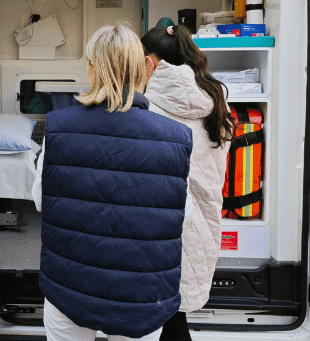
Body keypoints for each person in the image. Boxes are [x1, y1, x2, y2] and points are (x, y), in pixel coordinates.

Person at [31, 24, 192, 341]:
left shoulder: (60, 127)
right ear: (144, 69)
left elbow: (40, 200)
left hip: (71, 287)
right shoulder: (175, 137)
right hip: (143, 293)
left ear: (92, 68)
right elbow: (178, 213)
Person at [141, 24, 234, 341]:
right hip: (203, 222)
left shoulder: (149, 108)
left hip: (164, 228)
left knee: (162, 320)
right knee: (174, 317)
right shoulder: (215, 100)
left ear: (150, 64)